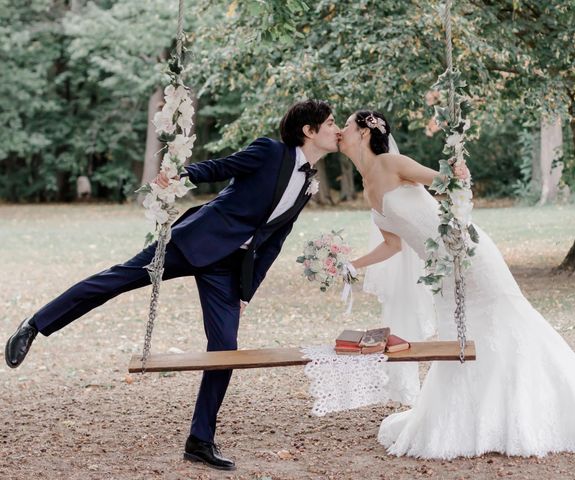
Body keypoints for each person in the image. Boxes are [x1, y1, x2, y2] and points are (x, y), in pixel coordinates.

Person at [4, 99, 341, 471]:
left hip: (229, 269)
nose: (336, 128)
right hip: (193, 241)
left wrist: (247, 291)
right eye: (330, 122)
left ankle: (199, 441)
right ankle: (35, 324)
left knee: (225, 350)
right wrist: (177, 175)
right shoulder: (269, 151)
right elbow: (219, 167)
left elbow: (274, 241)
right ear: (309, 131)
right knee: (115, 280)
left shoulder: (309, 182)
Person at [339, 110, 575, 459]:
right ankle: (469, 416)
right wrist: (351, 265)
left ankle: (541, 406)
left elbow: (447, 182)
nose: (342, 131)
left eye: (347, 125)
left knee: (505, 320)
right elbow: (393, 245)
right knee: (458, 338)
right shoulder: (366, 188)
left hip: (466, 254)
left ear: (365, 132)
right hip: (441, 273)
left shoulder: (393, 163)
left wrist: (456, 172)